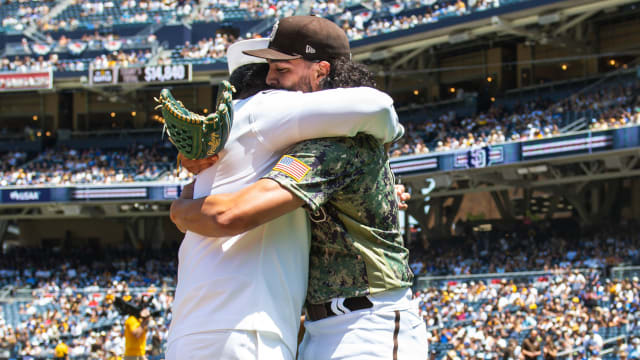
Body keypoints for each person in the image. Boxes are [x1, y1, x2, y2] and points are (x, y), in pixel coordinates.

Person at [171, 15, 427, 359]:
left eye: (281, 69)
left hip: (369, 324)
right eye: (267, 71)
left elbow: (230, 214)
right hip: (318, 329)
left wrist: (179, 210)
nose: (270, 80)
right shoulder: (303, 137)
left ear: (320, 71)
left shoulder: (338, 141)